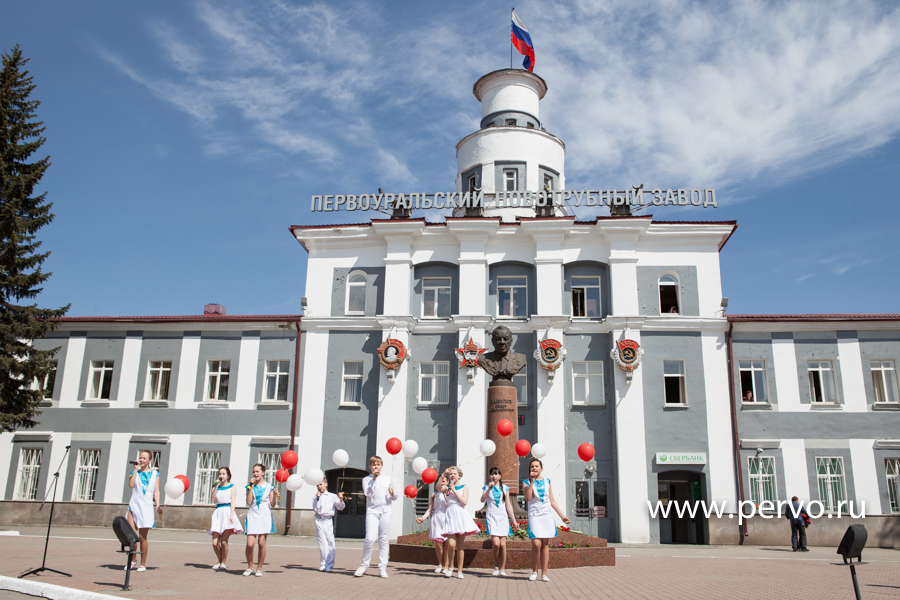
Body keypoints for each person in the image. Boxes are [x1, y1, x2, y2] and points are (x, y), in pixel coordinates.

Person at [522, 458, 570, 582]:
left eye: (537, 466)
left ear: (541, 468)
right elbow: (527, 497)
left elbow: (552, 500)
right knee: (536, 544)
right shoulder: (526, 482)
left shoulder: (547, 481)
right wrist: (532, 482)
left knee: (545, 544)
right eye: (532, 466)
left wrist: (562, 516)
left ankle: (544, 573)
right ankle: (534, 570)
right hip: (535, 515)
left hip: (546, 515)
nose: (534, 468)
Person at [355, 456, 398, 578]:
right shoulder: (366, 480)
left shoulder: (387, 479)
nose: (376, 467)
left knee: (384, 539)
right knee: (370, 538)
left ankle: (382, 567)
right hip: (372, 511)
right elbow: (368, 494)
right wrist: (374, 480)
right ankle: (364, 565)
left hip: (386, 511)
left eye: (378, 465)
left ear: (381, 466)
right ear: (370, 467)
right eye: (374, 465)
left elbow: (395, 497)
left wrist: (393, 493)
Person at [126, 450, 161, 572]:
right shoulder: (133, 472)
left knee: (142, 537)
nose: (141, 460)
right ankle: (132, 560)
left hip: (146, 507)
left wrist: (157, 505)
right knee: (132, 536)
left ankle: (143, 563)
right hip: (134, 506)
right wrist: (135, 470)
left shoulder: (155, 474)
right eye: (140, 457)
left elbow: (156, 491)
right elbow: (131, 485)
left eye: (144, 458)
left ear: (150, 460)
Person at [442, 466, 478, 579]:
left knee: (460, 545)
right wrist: (444, 474)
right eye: (451, 474)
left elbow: (464, 502)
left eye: (454, 474)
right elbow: (439, 487)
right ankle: (451, 566)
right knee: (451, 544)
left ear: (459, 476)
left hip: (460, 514)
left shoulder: (464, 487)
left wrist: (454, 490)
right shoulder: (446, 487)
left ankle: (460, 570)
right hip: (450, 514)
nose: (452, 475)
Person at [480, 467, 518, 576]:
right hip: (491, 516)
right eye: (492, 474)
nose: (494, 476)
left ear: (500, 476)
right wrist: (488, 489)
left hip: (502, 517)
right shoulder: (486, 487)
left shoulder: (505, 488)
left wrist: (514, 521)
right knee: (496, 543)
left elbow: (509, 505)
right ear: (489, 476)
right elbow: (482, 500)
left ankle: (502, 568)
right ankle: (495, 566)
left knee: (503, 544)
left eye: (496, 474)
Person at [244, 463, 277, 576]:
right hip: (253, 515)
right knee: (250, 544)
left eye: (257, 471)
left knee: (261, 543)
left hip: (264, 515)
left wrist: (276, 495)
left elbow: (272, 504)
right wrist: (251, 487)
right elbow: (248, 502)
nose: (255, 474)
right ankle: (249, 567)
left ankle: (259, 568)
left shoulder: (269, 486)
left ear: (263, 472)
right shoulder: (249, 486)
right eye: (254, 472)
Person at [209, 466, 242, 571]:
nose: (221, 476)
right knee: (215, 542)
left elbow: (233, 501)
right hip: (218, 512)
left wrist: (231, 516)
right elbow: (212, 499)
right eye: (220, 474)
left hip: (227, 512)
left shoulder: (232, 486)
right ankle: (219, 560)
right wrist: (216, 487)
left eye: (223, 474)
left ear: (228, 475)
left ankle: (223, 562)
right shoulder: (217, 486)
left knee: (224, 541)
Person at [416, 473, 450, 573]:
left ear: (447, 482)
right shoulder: (434, 495)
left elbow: (450, 504)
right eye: (440, 480)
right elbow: (430, 509)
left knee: (447, 543)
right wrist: (422, 518)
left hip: (447, 518)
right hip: (437, 518)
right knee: (438, 543)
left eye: (444, 480)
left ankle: (447, 566)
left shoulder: (449, 493)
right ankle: (440, 564)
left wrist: (445, 492)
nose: (442, 481)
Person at [313, 478, 346, 572]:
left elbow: (340, 507)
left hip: (327, 520)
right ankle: (323, 563)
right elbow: (315, 508)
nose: (319, 487)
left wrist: (340, 499)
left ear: (326, 484)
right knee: (322, 543)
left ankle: (330, 564)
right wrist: (317, 499)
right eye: (318, 485)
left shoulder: (332, 496)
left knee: (330, 542)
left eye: (321, 484)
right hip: (319, 519)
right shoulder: (316, 497)